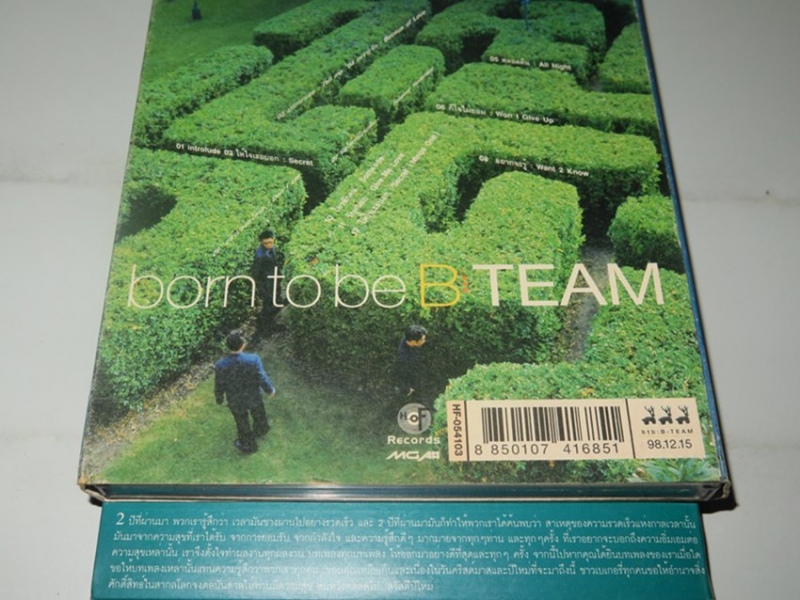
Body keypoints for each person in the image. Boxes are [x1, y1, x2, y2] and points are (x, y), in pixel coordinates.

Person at [214, 329, 277, 454]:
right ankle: (261, 430)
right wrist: (270, 390)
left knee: (242, 422)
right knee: (259, 414)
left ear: (228, 346)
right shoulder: (253, 359)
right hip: (253, 395)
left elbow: (219, 384)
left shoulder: (221, 365)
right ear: (243, 345)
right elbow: (261, 377)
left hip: (235, 399)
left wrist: (219, 398)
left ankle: (248, 445)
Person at [251, 229, 283, 338]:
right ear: (261, 242)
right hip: (266, 284)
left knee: (276, 303)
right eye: (266, 243)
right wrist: (261, 288)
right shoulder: (259, 255)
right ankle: (266, 329)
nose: (269, 245)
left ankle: (270, 325)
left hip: (274, 280)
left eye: (270, 242)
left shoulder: (272, 248)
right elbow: (256, 273)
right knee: (268, 305)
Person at [395, 325, 428, 398]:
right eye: (422, 340)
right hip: (412, 388)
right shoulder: (404, 358)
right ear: (413, 342)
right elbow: (400, 376)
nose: (424, 341)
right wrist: (407, 389)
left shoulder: (409, 337)